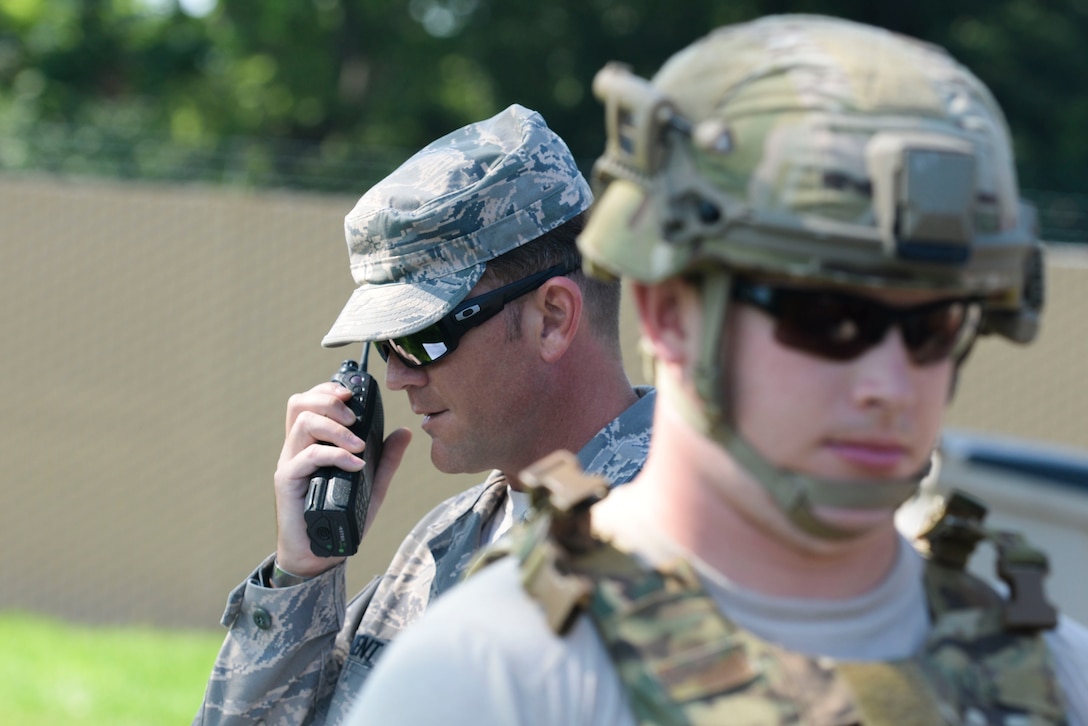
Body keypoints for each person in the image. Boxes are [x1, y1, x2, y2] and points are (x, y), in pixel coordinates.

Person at [349, 15, 1088, 725]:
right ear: (671, 315)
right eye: (828, 321)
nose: (891, 387)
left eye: (932, 326)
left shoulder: (1050, 672)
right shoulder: (496, 677)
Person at [194, 104, 654, 725]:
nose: (397, 375)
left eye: (423, 336)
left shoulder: (687, 541)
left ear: (552, 318)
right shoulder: (441, 543)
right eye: (385, 344)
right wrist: (302, 575)